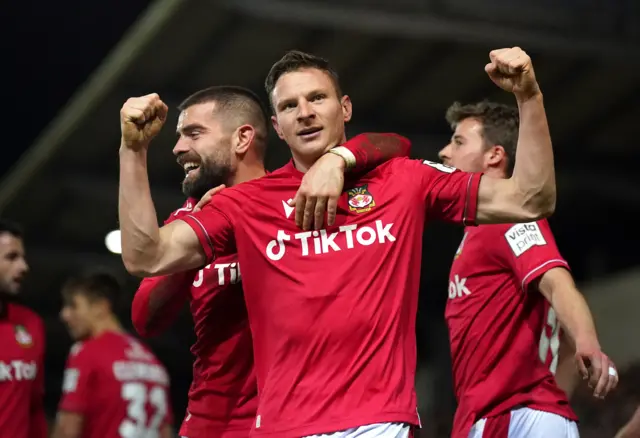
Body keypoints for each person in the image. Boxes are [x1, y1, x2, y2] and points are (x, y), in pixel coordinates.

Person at [118, 47, 557, 437]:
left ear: (344, 108)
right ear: (277, 126)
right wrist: (132, 152)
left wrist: (529, 98)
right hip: (280, 428)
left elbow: (532, 198)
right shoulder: (245, 205)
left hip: (378, 421)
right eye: (290, 106)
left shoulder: (402, 179)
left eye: (317, 98)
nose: (305, 112)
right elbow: (145, 256)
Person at [129, 85, 411, 438]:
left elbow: (396, 144)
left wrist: (337, 158)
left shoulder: (296, 199)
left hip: (297, 420)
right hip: (211, 423)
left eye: (194, 134)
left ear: (242, 139)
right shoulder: (191, 221)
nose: (178, 147)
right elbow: (145, 319)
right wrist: (197, 250)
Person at [438, 100, 617, 437]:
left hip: (514, 415)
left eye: (459, 142)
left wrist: (588, 342)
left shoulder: (509, 217)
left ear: (494, 155)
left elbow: (557, 282)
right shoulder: (478, 230)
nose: (445, 152)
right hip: (499, 415)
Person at [53, 271, 173, 438]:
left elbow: (68, 428)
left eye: (73, 306)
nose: (64, 315)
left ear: (101, 307)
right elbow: (165, 431)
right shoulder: (151, 360)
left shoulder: (86, 352)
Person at [0, 219, 47, 438]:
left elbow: (35, 407)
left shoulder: (31, 323)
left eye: (22, 257)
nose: (24, 267)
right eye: (11, 257)